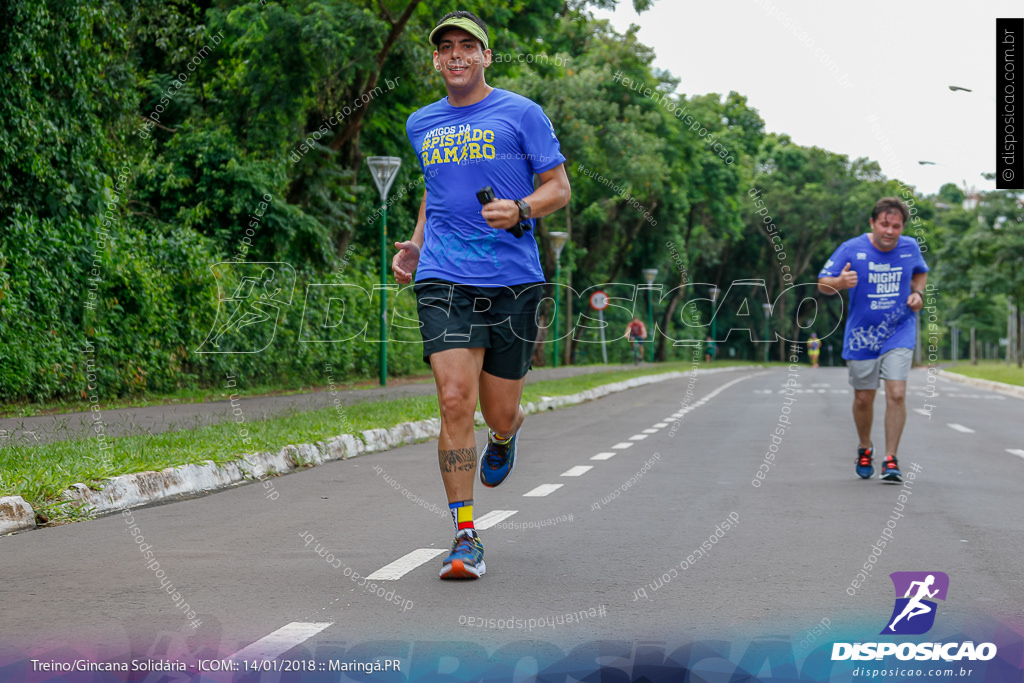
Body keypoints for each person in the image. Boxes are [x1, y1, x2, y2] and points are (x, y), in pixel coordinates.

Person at [392, 10, 571, 579]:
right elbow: (434, 190)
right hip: (444, 277)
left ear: (486, 56)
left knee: (499, 408)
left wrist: (520, 209)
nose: (456, 54)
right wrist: (418, 244)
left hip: (513, 279)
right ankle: (465, 535)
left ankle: (506, 432)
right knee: (452, 400)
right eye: (445, 47)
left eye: (467, 46)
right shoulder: (422, 123)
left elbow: (558, 188)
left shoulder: (522, 113)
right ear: (436, 60)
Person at [817, 197, 928, 483]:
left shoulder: (910, 247)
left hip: (899, 330)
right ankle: (865, 447)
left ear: (902, 227)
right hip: (862, 335)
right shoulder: (851, 248)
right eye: (884, 225)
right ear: (872, 223)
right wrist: (840, 283)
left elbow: (920, 271)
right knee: (864, 398)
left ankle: (891, 459)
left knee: (897, 393)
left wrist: (918, 294)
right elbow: (822, 283)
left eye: (896, 226)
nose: (890, 231)